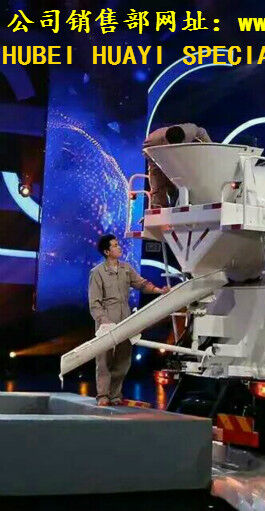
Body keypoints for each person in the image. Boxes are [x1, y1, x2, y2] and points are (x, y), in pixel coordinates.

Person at [88, 234, 168, 406]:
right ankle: (103, 395)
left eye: (118, 244)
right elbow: (94, 303)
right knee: (104, 360)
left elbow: (141, 283)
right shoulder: (97, 273)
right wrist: (103, 320)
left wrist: (159, 291)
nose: (119, 247)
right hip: (106, 319)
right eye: (115, 245)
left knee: (124, 359)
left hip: (125, 317)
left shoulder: (126, 268)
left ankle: (115, 395)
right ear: (107, 251)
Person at [143, 123, 212, 208]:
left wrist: (212, 149)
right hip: (156, 149)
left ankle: (175, 199)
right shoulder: (153, 141)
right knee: (158, 177)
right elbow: (153, 166)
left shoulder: (190, 130)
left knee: (176, 178)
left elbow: (202, 132)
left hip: (176, 153)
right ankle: (159, 204)